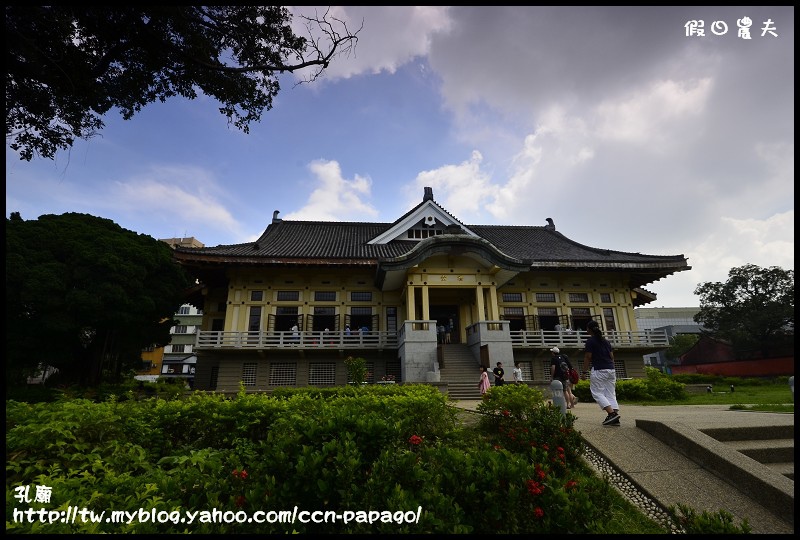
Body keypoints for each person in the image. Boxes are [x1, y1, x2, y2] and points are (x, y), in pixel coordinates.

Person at [582, 320, 620, 425]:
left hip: (599, 369)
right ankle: (614, 417)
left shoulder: (590, 341)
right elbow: (612, 357)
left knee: (597, 392)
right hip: (611, 369)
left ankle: (612, 414)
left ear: (589, 329)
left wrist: (584, 372)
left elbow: (588, 357)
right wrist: (610, 367)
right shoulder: (606, 341)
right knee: (610, 393)